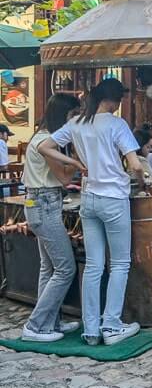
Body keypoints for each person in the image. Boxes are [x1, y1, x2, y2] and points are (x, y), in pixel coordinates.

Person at [38, 78, 145, 346]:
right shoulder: (116, 124)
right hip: (114, 199)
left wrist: (74, 161)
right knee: (119, 263)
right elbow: (136, 165)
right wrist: (143, 181)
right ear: (114, 100)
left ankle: (91, 328)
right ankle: (111, 326)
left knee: (94, 266)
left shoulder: (77, 124)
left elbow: (44, 147)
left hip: (89, 199)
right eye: (119, 100)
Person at [20, 93, 82, 342]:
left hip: (39, 203)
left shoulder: (41, 135)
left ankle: (50, 321)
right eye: (71, 115)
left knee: (48, 267)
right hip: (44, 205)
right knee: (66, 268)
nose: (73, 120)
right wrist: (76, 160)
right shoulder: (48, 142)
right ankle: (35, 326)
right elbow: (65, 178)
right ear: (62, 115)